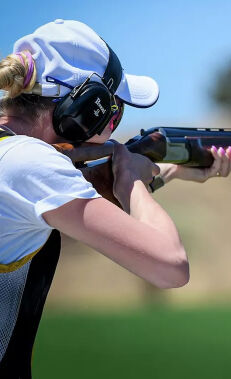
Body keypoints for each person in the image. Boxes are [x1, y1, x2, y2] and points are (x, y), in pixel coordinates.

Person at [0, 19, 229, 379]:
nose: (114, 122)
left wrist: (169, 171)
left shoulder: (13, 156)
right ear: (85, 108)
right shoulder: (29, 162)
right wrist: (131, 184)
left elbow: (77, 206)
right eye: (113, 110)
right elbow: (170, 267)